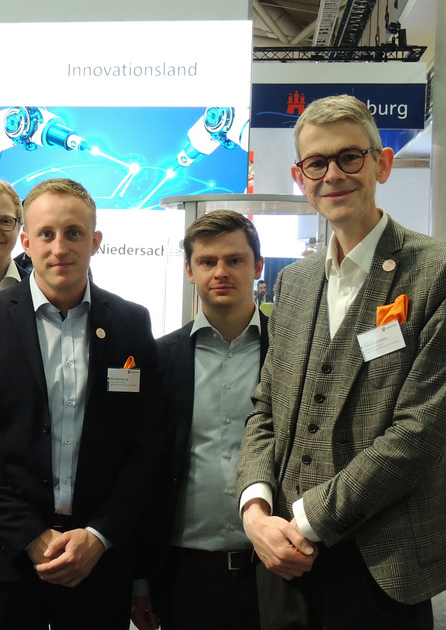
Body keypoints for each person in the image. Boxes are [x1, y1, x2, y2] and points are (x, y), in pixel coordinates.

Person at [237, 94, 446, 629]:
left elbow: (419, 433)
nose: (333, 175)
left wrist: (304, 521)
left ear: (382, 163)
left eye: (349, 157)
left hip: (381, 565)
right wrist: (256, 510)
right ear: (299, 175)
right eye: (316, 163)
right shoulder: (295, 281)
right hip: (282, 561)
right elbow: (267, 407)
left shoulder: (434, 273)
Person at [0, 178, 160, 630]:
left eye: (74, 233)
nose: (59, 247)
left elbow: (147, 446)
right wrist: (29, 536)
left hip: (97, 563)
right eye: (46, 234)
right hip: (4, 561)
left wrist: (99, 536)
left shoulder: (130, 324)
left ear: (96, 241)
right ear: (26, 241)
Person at [131, 210, 268, 630]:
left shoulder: (292, 351)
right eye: (207, 262)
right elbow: (142, 473)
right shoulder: (159, 358)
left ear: (258, 266)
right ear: (190, 271)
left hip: (276, 568)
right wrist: (140, 582)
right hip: (186, 574)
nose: (220, 272)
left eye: (235, 260)